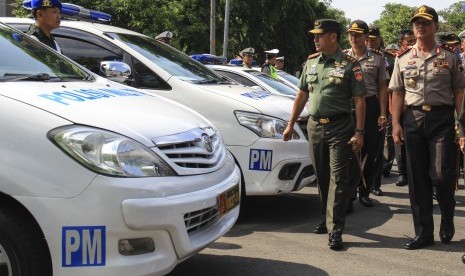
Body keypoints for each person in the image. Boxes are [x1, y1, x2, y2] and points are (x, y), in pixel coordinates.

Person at [283, 19, 366, 250]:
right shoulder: (310, 63)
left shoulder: (350, 64)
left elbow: (359, 101)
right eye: (315, 36)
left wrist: (359, 132)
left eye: (319, 35)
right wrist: (290, 124)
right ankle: (326, 216)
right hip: (315, 126)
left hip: (340, 127)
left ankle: (336, 228)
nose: (315, 39)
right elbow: (301, 95)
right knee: (322, 175)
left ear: (333, 37)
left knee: (338, 178)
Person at [390, 5, 465, 250]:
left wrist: (460, 123)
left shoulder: (451, 58)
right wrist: (395, 124)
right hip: (413, 120)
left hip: (442, 119)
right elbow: (398, 92)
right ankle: (423, 233)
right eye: (416, 23)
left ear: (436, 27)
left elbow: (459, 91)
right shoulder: (402, 58)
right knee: (418, 179)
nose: (420, 26)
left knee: (442, 175)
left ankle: (446, 214)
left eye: (425, 22)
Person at [346, 20, 388, 207]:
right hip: (349, 107)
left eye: (358, 35)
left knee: (370, 151)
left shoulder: (378, 58)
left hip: (371, 105)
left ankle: (364, 191)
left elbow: (382, 87)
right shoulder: (343, 57)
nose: (354, 38)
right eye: (351, 35)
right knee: (349, 150)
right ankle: (350, 191)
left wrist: (383, 113)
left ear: (366, 37)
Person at [366, 26, 394, 196]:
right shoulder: (354, 55)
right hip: (361, 106)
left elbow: (392, 85)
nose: (370, 42)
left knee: (376, 149)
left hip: (380, 106)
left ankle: (375, 184)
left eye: (373, 39)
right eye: (367, 39)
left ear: (379, 38)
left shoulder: (388, 58)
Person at [394, 29, 417, 187]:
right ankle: (402, 172)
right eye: (408, 41)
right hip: (399, 106)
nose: (411, 43)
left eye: (412, 40)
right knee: (400, 141)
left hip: (414, 107)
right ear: (402, 42)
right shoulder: (398, 58)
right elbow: (394, 89)